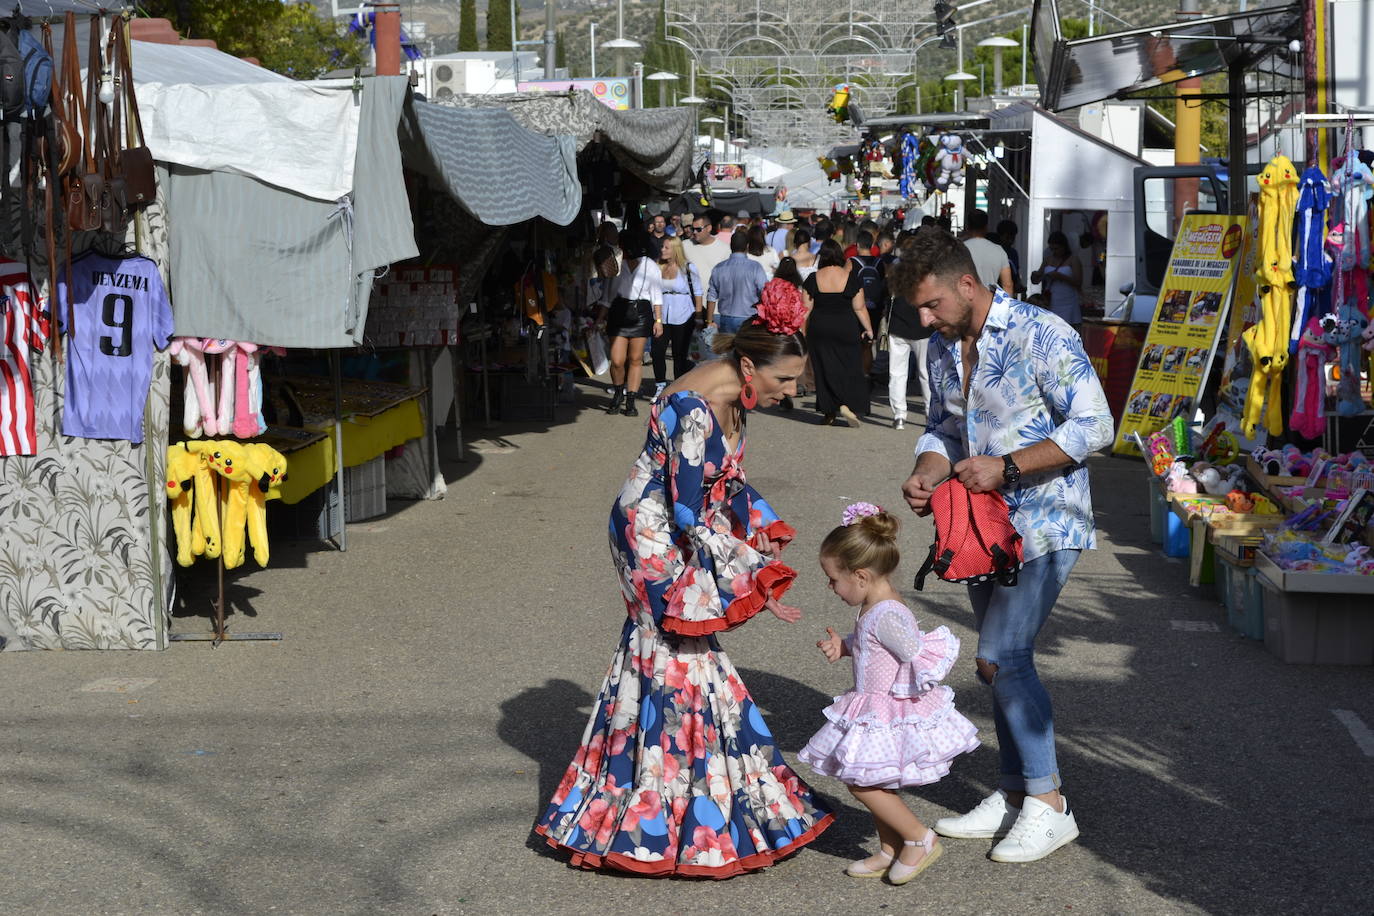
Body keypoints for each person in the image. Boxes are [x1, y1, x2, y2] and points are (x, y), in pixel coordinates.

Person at [534, 301, 835, 877]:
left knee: (675, 656)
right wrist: (751, 569)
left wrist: (763, 527)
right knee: (673, 651)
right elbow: (688, 509)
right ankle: (665, 809)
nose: (792, 391)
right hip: (651, 535)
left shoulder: (732, 396)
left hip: (679, 526)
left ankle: (682, 794)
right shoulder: (692, 407)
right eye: (785, 379)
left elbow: (730, 481)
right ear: (749, 367)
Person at [889, 228, 1114, 865]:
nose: (925, 320)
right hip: (981, 528)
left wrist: (1008, 466)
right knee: (996, 664)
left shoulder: (1041, 332)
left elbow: (1097, 424)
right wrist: (928, 471)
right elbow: (944, 427)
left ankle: (1049, 803)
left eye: (932, 305)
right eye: (918, 310)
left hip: (1046, 519)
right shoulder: (943, 345)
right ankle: (1015, 792)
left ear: (968, 284)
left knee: (1003, 654)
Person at [798, 502, 979, 884]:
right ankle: (889, 847)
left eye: (833, 579)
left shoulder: (888, 614)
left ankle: (918, 838)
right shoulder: (875, 605)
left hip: (886, 710)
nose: (831, 587)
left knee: (861, 782)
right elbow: (875, 646)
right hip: (871, 705)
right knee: (872, 778)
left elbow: (913, 652)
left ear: (860, 576)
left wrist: (912, 684)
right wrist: (846, 646)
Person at [803, 239, 873, 426]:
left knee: (823, 368)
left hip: (820, 328)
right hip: (846, 326)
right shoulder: (851, 277)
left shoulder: (813, 278)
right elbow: (859, 308)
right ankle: (846, 404)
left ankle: (829, 412)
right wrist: (868, 329)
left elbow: (805, 309)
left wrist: (799, 331)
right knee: (849, 366)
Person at [599, 231, 662, 417]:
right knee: (617, 360)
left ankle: (631, 400)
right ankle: (618, 392)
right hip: (619, 311)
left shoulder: (650, 266)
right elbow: (608, 296)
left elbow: (657, 296)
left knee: (635, 358)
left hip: (641, 312)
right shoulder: (617, 264)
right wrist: (599, 319)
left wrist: (658, 320)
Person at [884, 235, 933, 430]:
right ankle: (930, 413)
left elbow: (887, 293)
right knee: (926, 373)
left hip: (898, 324)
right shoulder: (926, 270)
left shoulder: (895, 268)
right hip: (922, 326)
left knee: (897, 372)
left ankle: (899, 415)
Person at [651, 236, 702, 397]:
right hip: (661, 315)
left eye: (666, 247)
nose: (662, 250)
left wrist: (698, 316)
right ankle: (660, 385)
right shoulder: (657, 267)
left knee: (679, 354)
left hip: (684, 315)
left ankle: (679, 387)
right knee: (657, 351)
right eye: (662, 247)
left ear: (675, 249)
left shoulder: (688, 268)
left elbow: (698, 291)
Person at [707, 232, 769, 335]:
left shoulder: (719, 268)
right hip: (749, 317)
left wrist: (709, 321)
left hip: (726, 318)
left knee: (728, 345)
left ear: (731, 246)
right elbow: (765, 292)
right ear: (747, 246)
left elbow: (711, 296)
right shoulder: (755, 267)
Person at [1030, 231, 1083, 333]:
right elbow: (1037, 279)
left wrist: (1061, 277)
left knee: (1067, 331)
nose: (1054, 252)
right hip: (1050, 301)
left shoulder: (1073, 259)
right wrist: (1034, 276)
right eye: (1051, 249)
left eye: (1057, 249)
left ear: (1064, 246)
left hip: (1068, 302)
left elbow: (1078, 282)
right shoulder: (1047, 259)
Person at [962, 210, 1014, 291]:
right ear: (986, 227)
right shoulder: (999, 250)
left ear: (967, 226)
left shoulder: (960, 249)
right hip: (989, 297)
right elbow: (1007, 285)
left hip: (965, 297)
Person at [684, 213, 730, 298]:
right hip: (690, 302)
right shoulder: (684, 245)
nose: (694, 232)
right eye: (693, 229)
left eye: (698, 229)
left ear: (709, 228)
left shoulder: (725, 249)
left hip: (715, 302)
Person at [996, 219, 1024, 296]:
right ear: (1000, 236)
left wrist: (1018, 283)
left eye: (1013, 238)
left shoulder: (1013, 253)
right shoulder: (995, 251)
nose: (1010, 241)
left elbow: (1016, 272)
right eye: (1007, 238)